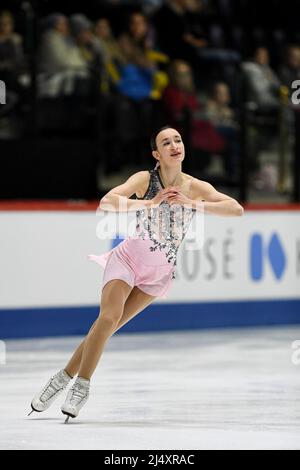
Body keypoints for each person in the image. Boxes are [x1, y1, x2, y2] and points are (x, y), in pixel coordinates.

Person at [28, 126, 244, 422]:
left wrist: (193, 204)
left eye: (178, 140)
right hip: (128, 260)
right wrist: (150, 203)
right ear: (157, 154)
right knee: (107, 318)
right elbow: (107, 201)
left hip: (158, 274)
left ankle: (62, 377)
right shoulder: (145, 180)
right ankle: (81, 387)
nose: (174, 145)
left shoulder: (195, 187)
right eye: (165, 142)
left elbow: (235, 209)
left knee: (106, 329)